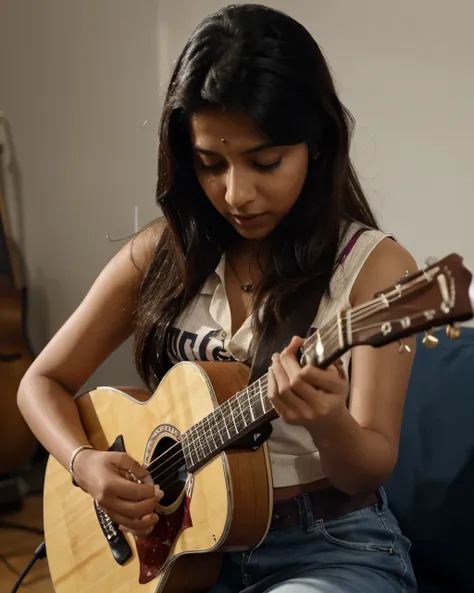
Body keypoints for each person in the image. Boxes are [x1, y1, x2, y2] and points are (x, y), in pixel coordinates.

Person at [18, 4, 419, 592]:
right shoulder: (163, 252)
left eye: (266, 162)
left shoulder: (375, 269)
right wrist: (85, 464)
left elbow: (368, 469)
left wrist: (330, 422)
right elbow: (40, 383)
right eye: (211, 165)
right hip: (183, 551)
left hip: (327, 549)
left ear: (319, 144)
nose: (237, 194)